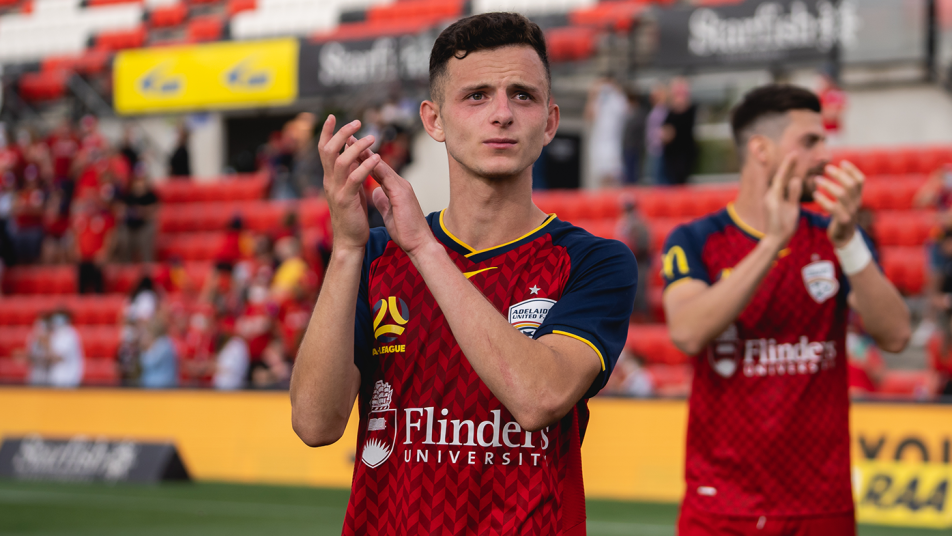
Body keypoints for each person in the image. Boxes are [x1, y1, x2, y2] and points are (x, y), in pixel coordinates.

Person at [290, 13, 637, 535]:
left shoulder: (594, 261)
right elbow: (315, 423)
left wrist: (424, 250)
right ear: (434, 121)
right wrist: (346, 249)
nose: (502, 114)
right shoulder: (374, 257)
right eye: (476, 96)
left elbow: (538, 397)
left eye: (522, 95)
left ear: (549, 122)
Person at [661, 85, 911, 535]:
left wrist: (848, 242)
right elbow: (687, 332)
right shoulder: (697, 239)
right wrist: (773, 243)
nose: (825, 155)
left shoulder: (836, 237)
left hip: (821, 503)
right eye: (810, 141)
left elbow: (895, 335)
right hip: (722, 505)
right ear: (761, 149)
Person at [585, 76, 628, 186]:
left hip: (613, 145)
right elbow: (589, 117)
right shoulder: (598, 100)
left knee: (613, 178)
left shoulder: (618, 99)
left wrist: (616, 90)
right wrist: (592, 95)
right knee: (601, 179)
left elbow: (625, 112)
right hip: (598, 144)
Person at [661, 77, 697, 186]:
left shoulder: (689, 111)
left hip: (682, 153)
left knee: (680, 180)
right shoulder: (669, 111)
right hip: (671, 153)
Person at [46, 310, 85, 388]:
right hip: (57, 380)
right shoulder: (57, 333)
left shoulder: (69, 334)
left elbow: (59, 357)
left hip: (67, 381)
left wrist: (46, 343)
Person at [138, 317, 178, 389]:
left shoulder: (163, 343)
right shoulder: (161, 343)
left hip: (161, 387)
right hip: (154, 386)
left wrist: (146, 348)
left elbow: (148, 362)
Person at [645, 82, 669, 185]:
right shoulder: (657, 110)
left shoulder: (663, 110)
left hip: (659, 149)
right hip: (654, 149)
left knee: (659, 178)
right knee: (655, 177)